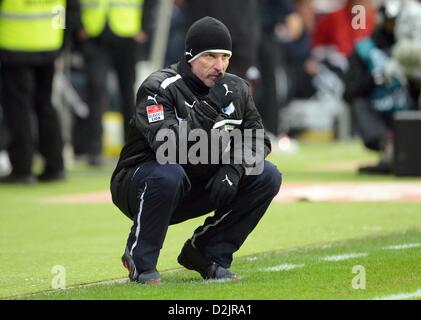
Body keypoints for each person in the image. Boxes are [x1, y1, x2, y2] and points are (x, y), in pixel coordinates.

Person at [110, 17, 282, 284]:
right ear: (190, 56)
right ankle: (140, 259)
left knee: (267, 175)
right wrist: (210, 107)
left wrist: (232, 168)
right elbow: (167, 146)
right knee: (168, 174)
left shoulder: (235, 88)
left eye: (225, 57)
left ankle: (206, 252)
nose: (220, 66)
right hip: (140, 182)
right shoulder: (157, 88)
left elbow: (258, 138)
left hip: (195, 179)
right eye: (210, 56)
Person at [0, 0, 69, 184]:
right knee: (45, 104)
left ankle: (22, 168)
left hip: (14, 44)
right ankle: (55, 165)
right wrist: (61, 39)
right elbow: (63, 8)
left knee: (18, 108)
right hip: (49, 44)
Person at [344, 1, 415, 174]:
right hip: (378, 111)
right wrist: (375, 78)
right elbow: (348, 92)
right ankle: (387, 147)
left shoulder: (414, 50)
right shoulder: (364, 49)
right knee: (358, 103)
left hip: (409, 112)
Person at [75, 0, 148, 165]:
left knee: (128, 93)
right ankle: (94, 149)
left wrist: (145, 26)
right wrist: (78, 26)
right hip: (94, 34)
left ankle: (132, 147)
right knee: (96, 90)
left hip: (127, 33)